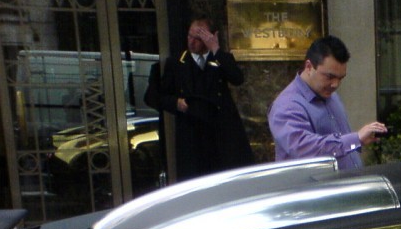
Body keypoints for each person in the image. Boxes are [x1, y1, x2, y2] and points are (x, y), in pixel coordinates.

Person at [157, 15, 254, 181]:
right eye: (190, 36)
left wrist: (216, 49)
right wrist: (176, 103)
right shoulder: (176, 63)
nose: (192, 42)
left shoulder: (220, 59)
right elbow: (158, 96)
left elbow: (237, 79)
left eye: (198, 38)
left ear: (211, 37)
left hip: (220, 134)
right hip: (192, 135)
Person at [268, 35, 386, 169]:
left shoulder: (331, 95)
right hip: (316, 189)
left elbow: (344, 145)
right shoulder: (287, 106)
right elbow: (305, 150)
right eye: (329, 77)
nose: (335, 84)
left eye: (340, 78)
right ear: (308, 67)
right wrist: (356, 139)